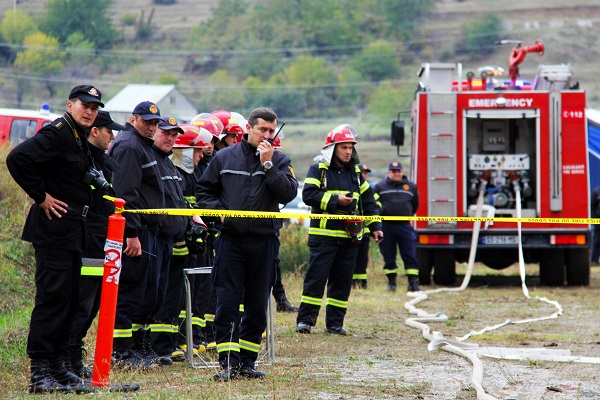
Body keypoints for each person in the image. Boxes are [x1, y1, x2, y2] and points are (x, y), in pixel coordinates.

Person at [7, 85, 104, 394]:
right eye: (85, 105)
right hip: (54, 227)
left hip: (74, 228)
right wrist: (41, 196)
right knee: (52, 298)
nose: (90, 111)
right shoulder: (58, 132)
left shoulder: (77, 137)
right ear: (70, 105)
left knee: (70, 298)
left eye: (95, 107)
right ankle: (40, 372)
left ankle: (59, 368)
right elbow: (17, 158)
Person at [196, 107, 298, 381]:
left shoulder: (280, 159)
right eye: (262, 129)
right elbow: (204, 191)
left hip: (264, 242)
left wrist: (268, 165)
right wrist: (218, 213)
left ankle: (248, 363)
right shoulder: (223, 157)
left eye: (271, 131)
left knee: (256, 304)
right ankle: (227, 362)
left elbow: (288, 193)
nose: (268, 135)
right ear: (248, 130)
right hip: (232, 240)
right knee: (227, 302)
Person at [296, 125, 382, 336]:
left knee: (342, 282)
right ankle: (305, 322)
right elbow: (308, 195)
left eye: (350, 148)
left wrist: (375, 227)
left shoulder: (355, 173)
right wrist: (336, 201)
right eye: (343, 147)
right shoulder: (319, 169)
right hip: (323, 238)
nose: (348, 152)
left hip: (349, 238)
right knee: (316, 280)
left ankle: (334, 324)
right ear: (333, 148)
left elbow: (369, 201)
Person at [108, 101, 166, 369]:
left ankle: (138, 346)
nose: (152, 127)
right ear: (133, 119)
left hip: (148, 231)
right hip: (136, 232)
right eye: (147, 122)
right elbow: (124, 196)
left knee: (147, 294)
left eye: (155, 123)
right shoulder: (130, 146)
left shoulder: (142, 144)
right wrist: (131, 233)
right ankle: (120, 351)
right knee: (130, 292)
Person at [67, 111, 123, 379]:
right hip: (87, 241)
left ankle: (74, 362)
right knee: (81, 303)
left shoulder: (103, 160)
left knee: (93, 305)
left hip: (103, 240)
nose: (113, 135)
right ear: (95, 131)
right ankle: (67, 361)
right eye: (108, 130)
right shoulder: (83, 159)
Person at [374, 161, 422, 293]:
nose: (396, 173)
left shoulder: (411, 186)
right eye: (393, 171)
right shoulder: (380, 186)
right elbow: (373, 205)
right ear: (389, 172)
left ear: (402, 172)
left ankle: (413, 283)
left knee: (410, 254)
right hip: (386, 226)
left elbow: (415, 205)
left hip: (404, 226)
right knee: (388, 255)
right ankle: (391, 283)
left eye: (398, 171)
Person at [352, 163, 373, 289]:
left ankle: (362, 283)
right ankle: (352, 282)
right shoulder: (352, 187)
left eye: (366, 173)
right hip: (352, 230)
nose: (364, 175)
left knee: (362, 259)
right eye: (362, 173)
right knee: (351, 258)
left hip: (365, 230)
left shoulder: (368, 188)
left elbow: (374, 205)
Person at [591, 186, 600, 265]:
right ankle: (594, 260)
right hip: (598, 220)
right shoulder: (596, 192)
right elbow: (592, 207)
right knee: (597, 240)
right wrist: (594, 219)